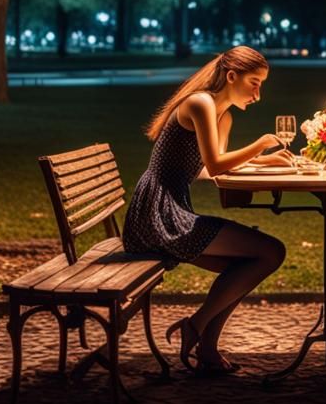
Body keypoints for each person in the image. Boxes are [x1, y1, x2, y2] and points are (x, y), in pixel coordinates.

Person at [123, 46, 292, 376]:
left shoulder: (222, 115)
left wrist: (264, 160)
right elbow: (216, 166)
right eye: (254, 82)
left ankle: (208, 349)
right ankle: (197, 326)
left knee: (251, 262)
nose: (258, 94)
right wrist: (259, 146)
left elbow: (208, 166)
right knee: (269, 251)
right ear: (232, 76)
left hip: (172, 208)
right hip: (158, 214)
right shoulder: (200, 103)